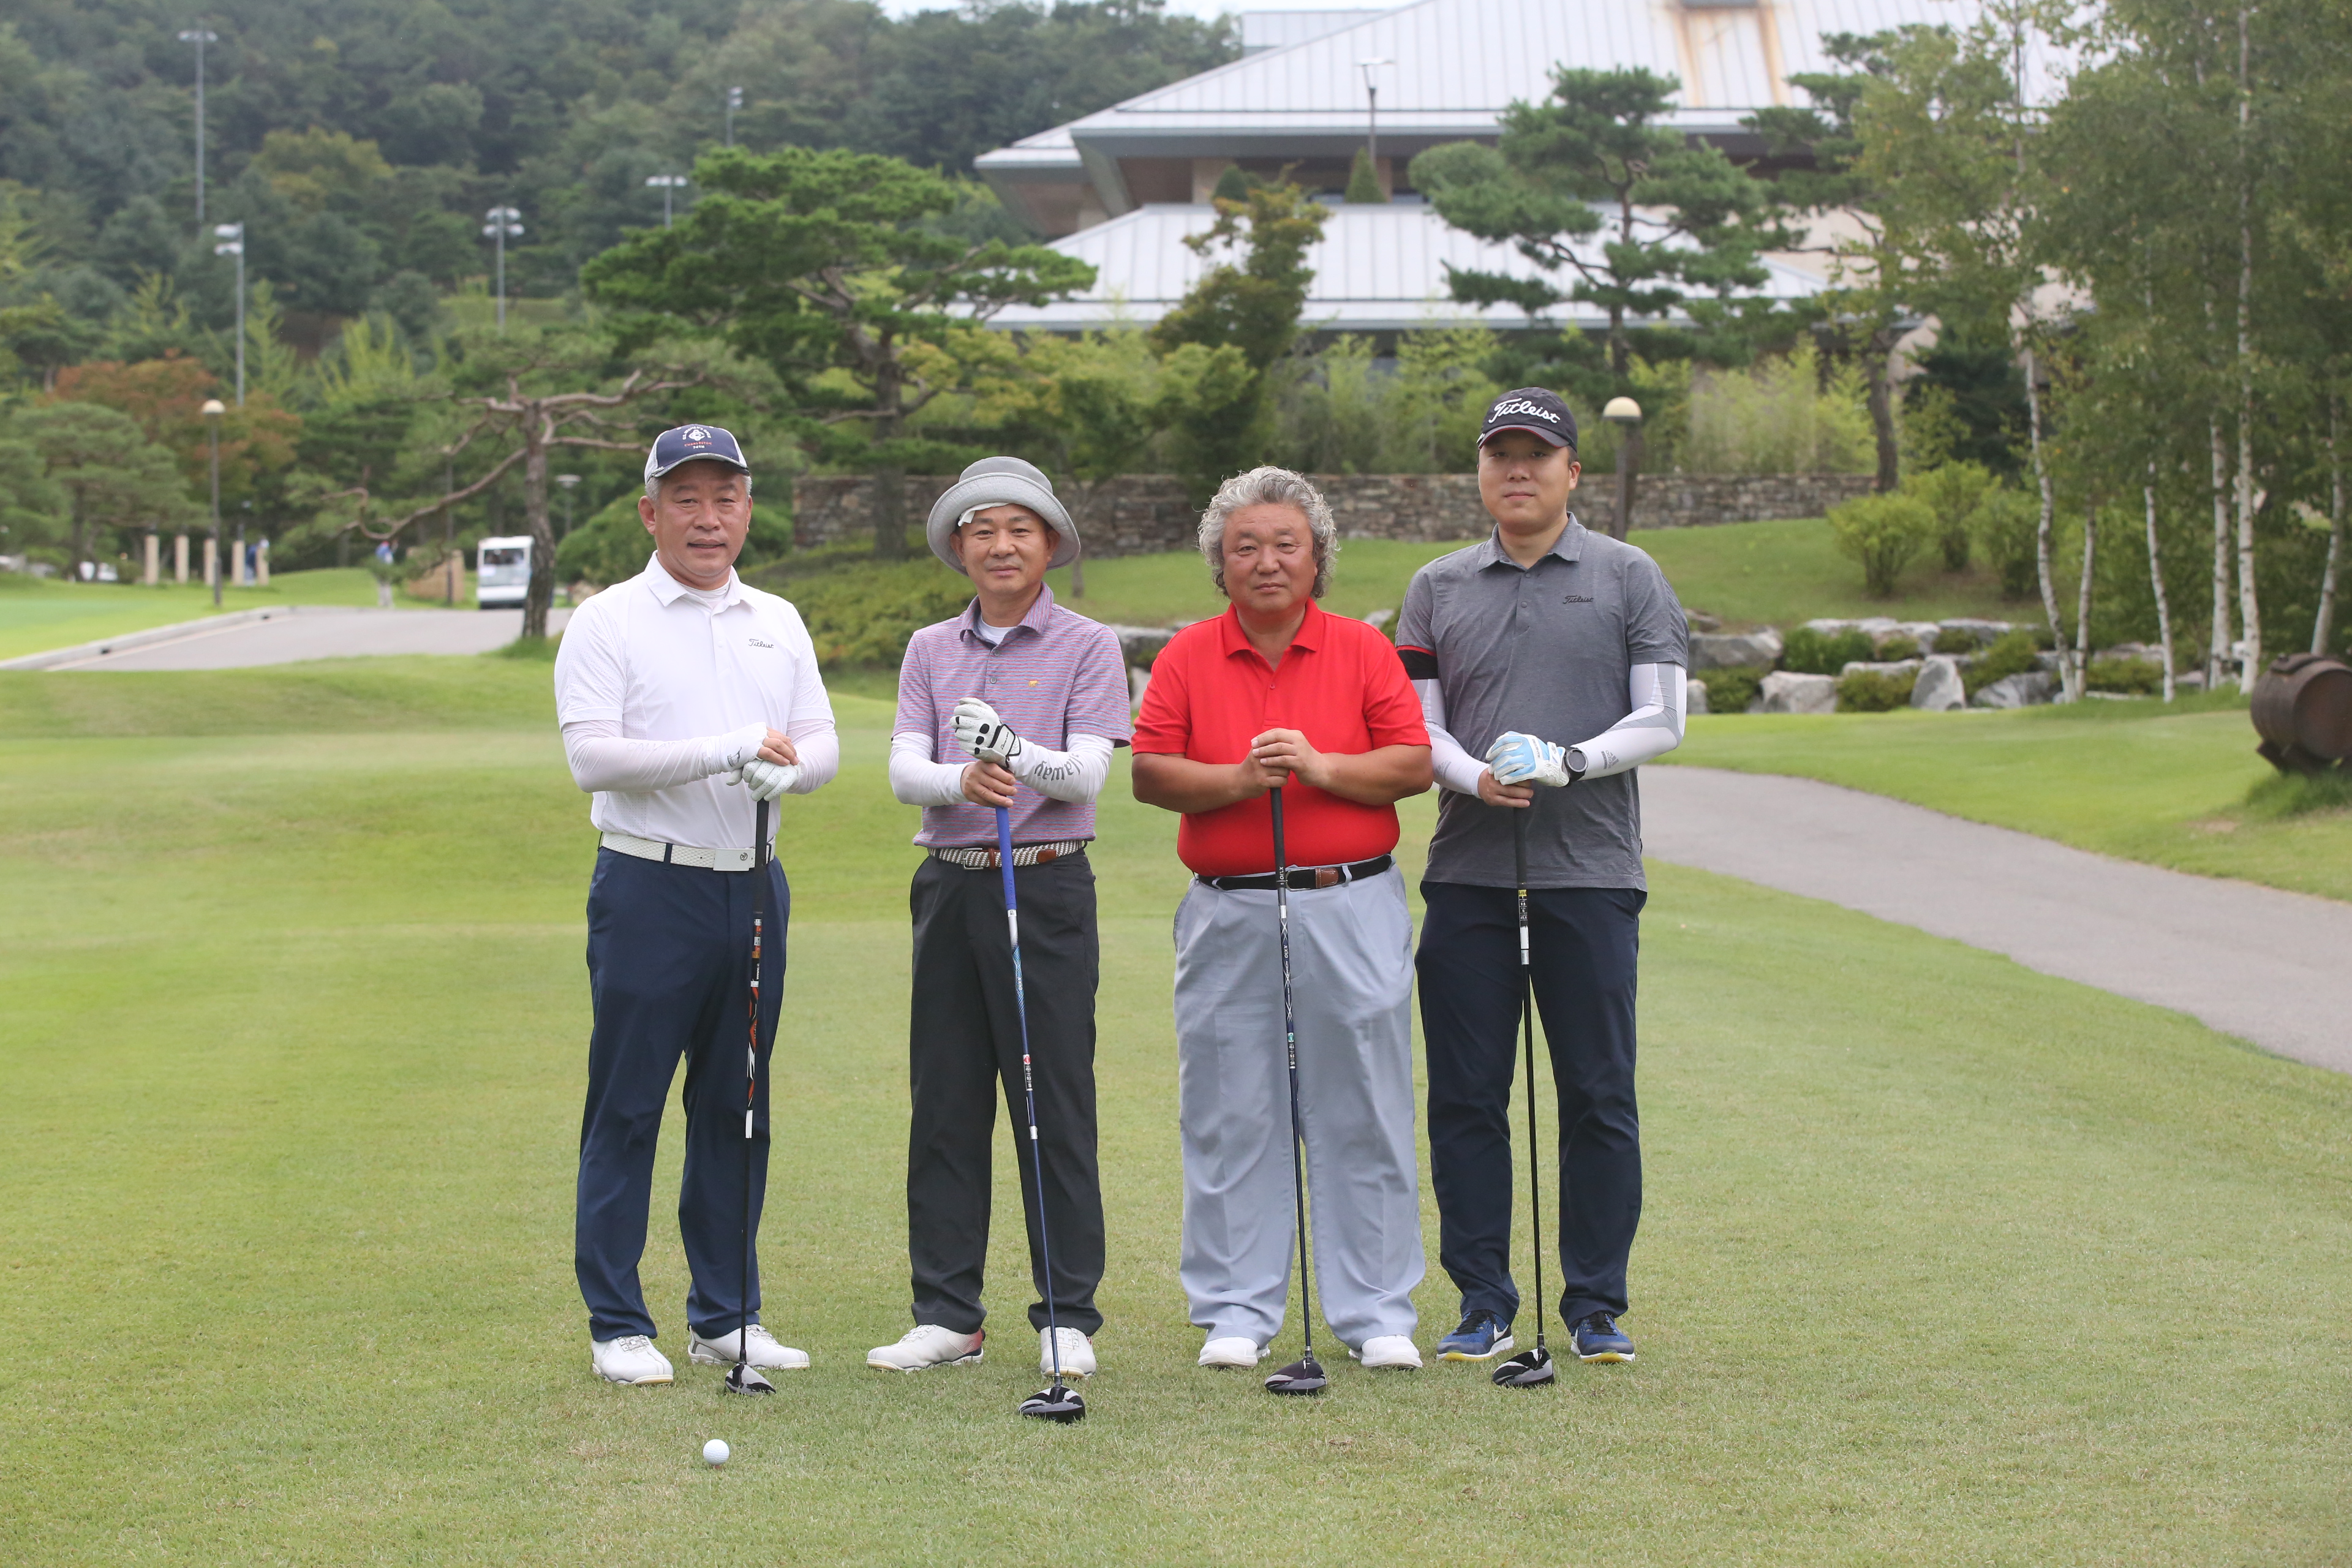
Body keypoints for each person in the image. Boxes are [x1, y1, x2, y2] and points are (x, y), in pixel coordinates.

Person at [1395, 388, 1688, 1367]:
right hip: (1469, 873)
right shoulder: (1437, 585)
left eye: (1537, 454)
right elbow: (1418, 726)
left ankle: (1596, 1304)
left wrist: (1569, 761)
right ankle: (1483, 1301)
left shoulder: (1628, 575)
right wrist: (1473, 776)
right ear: (1481, 469)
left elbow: (1663, 718)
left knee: (1598, 1094)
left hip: (1591, 873)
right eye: (1500, 454)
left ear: (1572, 471)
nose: (1517, 471)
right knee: (1467, 1097)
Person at [551, 423, 840, 1385]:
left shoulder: (777, 619)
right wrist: (728, 749)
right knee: (628, 1106)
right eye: (687, 498)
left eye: (726, 498)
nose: (708, 518)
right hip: (649, 886)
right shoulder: (609, 620)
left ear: (748, 510)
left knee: (737, 1104)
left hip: (753, 885)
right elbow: (593, 756)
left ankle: (727, 1315)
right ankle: (617, 1324)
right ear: (651, 512)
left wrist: (789, 773)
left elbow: (820, 743)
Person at [1131, 466, 1434, 1373]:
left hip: (1351, 900)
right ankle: (1236, 1308)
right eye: (1245, 548)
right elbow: (1150, 773)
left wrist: (1319, 766)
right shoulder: (1188, 656)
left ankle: (1376, 1311)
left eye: (1285, 545)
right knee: (1231, 1108)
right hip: (1229, 909)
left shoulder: (1362, 650)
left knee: (1366, 1103)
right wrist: (1238, 781)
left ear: (1318, 556)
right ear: (1219, 564)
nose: (1266, 561)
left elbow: (1412, 763)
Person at [868, 456, 1131, 1381]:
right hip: (953, 884)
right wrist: (961, 779)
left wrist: (1010, 750)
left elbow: (1086, 775)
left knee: (1050, 1096)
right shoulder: (929, 648)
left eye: (1020, 529)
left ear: (1049, 543)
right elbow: (905, 772)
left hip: (1046, 886)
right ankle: (948, 1314)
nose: (1001, 545)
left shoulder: (1089, 644)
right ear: (960, 547)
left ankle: (1067, 1313)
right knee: (944, 1100)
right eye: (982, 531)